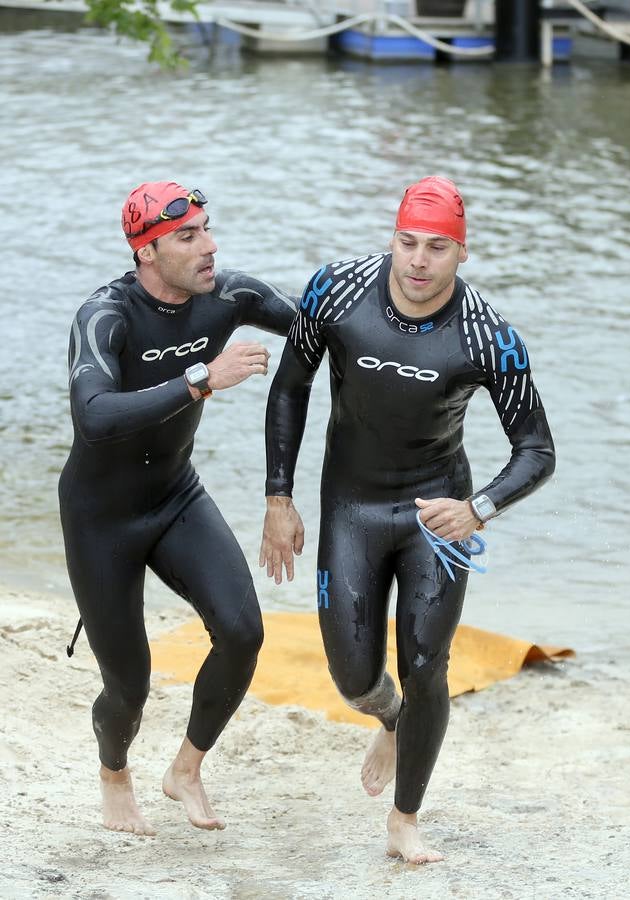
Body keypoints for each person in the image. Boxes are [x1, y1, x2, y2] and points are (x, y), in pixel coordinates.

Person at [259, 176, 556, 863]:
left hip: (436, 515)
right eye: (407, 241)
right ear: (392, 237)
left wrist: (478, 508)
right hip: (352, 509)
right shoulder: (335, 290)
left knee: (426, 667)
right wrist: (279, 498)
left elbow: (536, 449)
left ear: (462, 252)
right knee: (354, 678)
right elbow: (289, 389)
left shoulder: (488, 335)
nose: (418, 260)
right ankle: (388, 721)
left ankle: (405, 821)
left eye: (437, 247)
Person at [59, 181, 297, 836]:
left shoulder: (230, 297)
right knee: (128, 688)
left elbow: (324, 328)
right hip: (100, 517)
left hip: (173, 494)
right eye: (188, 237)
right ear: (147, 252)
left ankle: (186, 768)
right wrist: (201, 378)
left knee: (244, 631)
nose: (209, 247)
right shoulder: (105, 316)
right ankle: (115, 771)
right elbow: (95, 415)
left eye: (207, 230)